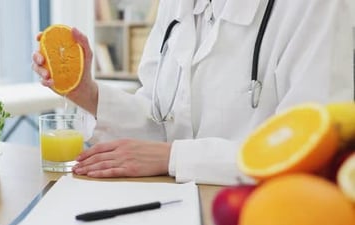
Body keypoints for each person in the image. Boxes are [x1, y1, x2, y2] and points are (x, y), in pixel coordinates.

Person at [32, 0, 354, 185]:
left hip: (257, 219)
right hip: (171, 206)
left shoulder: (316, 6)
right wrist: (86, 93)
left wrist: (175, 157)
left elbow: (312, 150)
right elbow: (161, 119)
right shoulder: (177, 4)